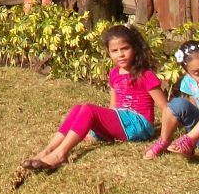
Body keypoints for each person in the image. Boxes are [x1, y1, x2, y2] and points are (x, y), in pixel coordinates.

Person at [22, 24, 166, 173]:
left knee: (89, 109)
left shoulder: (145, 74)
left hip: (139, 125)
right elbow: (113, 107)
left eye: (125, 49)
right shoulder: (114, 73)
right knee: (79, 108)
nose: (120, 54)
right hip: (122, 121)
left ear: (134, 48)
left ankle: (60, 154)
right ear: (108, 53)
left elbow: (165, 108)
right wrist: (103, 130)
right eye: (114, 51)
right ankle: (48, 150)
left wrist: (165, 138)